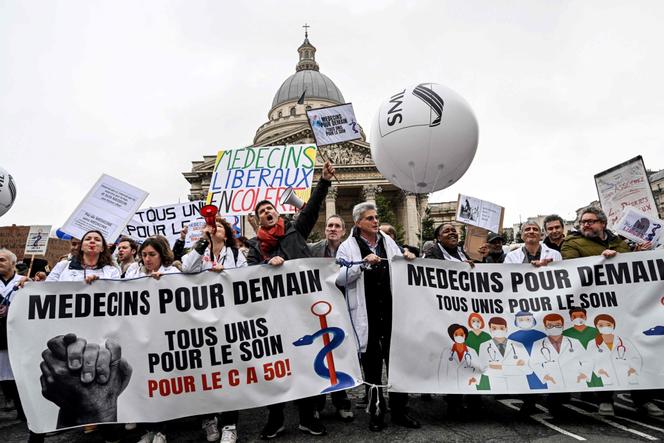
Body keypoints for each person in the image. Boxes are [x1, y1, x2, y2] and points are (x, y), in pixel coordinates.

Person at [247, 160, 335, 439]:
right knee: (275, 367)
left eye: (269, 208)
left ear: (277, 213)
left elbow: (311, 207)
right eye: (261, 211)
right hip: (272, 316)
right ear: (258, 220)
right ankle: (275, 419)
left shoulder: (296, 229)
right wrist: (265, 263)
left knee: (306, 363)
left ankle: (308, 417)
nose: (267, 212)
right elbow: (247, 276)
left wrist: (323, 181)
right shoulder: (254, 246)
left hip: (304, 310)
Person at [561, 206, 662, 416]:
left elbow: (627, 269)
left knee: (634, 350)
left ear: (602, 224)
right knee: (602, 352)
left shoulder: (619, 241)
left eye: (590, 221)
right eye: (582, 222)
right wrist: (601, 257)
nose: (585, 225)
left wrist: (637, 255)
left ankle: (643, 399)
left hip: (625, 307)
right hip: (594, 307)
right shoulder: (572, 243)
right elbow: (570, 265)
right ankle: (605, 399)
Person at [336, 201, 420, 432]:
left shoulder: (387, 241)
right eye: (370, 218)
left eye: (376, 218)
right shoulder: (348, 246)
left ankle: (400, 411)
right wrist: (361, 265)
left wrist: (408, 255)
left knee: (397, 364)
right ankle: (376, 411)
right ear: (358, 222)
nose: (376, 222)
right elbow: (340, 277)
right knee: (372, 368)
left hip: (391, 313)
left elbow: (401, 264)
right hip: (367, 314)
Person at [182, 217, 246, 443]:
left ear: (226, 234)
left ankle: (230, 423)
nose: (213, 229)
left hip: (228, 320)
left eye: (218, 227)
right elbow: (188, 268)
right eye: (210, 227)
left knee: (230, 375)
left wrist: (225, 274)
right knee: (205, 374)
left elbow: (244, 281)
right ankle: (209, 419)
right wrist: (202, 241)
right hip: (201, 322)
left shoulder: (237, 255)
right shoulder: (198, 252)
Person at [588, 314, 662, 416]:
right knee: (601, 372)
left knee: (639, 371)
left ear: (614, 325)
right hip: (604, 371)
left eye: (608, 325)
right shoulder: (592, 343)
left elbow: (636, 356)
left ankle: (644, 401)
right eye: (601, 325)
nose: (605, 327)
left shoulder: (624, 341)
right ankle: (604, 401)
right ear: (596, 327)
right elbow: (588, 360)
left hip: (624, 368)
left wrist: (632, 368)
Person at [477, 316, 529, 392]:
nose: (498, 331)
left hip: (519, 384)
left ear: (506, 329)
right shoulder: (484, 346)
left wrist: (499, 367)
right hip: (497, 383)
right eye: (494, 328)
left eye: (501, 328)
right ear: (490, 329)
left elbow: (528, 368)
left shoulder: (519, 345)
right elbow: (484, 368)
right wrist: (514, 366)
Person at [47, 230, 120, 282]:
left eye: (97, 240)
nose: (92, 241)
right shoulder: (62, 266)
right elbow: (47, 291)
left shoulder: (112, 271)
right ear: (81, 247)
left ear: (102, 248)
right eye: (88, 239)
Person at [438, 324, 480, 392]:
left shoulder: (471, 351)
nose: (459, 337)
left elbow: (476, 368)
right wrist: (441, 386)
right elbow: (442, 370)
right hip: (451, 384)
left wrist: (475, 380)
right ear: (452, 336)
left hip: (468, 384)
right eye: (456, 334)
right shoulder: (446, 351)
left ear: (465, 335)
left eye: (461, 334)